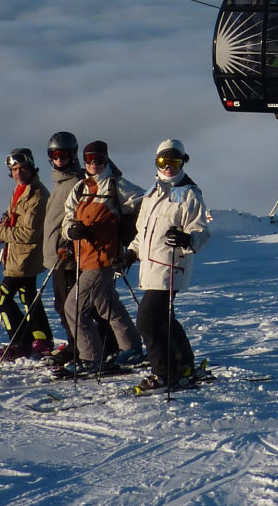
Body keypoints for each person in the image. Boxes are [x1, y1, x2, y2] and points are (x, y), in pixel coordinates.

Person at [56, 140, 146, 377]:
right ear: (84, 161)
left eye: (99, 159)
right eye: (89, 159)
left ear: (106, 160)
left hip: (105, 258)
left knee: (73, 307)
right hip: (85, 257)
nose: (94, 163)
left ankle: (91, 358)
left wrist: (128, 227)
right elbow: (67, 219)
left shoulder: (116, 185)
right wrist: (71, 231)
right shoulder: (80, 188)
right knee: (106, 303)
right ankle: (132, 348)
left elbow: (145, 204)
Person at [128, 138, 211, 390]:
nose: (168, 167)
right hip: (150, 267)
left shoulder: (189, 193)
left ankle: (163, 372)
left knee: (147, 321)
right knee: (164, 319)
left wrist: (187, 239)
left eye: (174, 162)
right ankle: (184, 364)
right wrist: (130, 253)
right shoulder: (152, 193)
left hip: (171, 266)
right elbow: (142, 233)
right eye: (163, 161)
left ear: (183, 162)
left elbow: (201, 232)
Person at [0, 148, 54, 361]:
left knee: (3, 297)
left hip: (25, 257)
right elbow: (17, 223)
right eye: (14, 169)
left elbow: (30, 233)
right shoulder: (22, 191)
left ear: (31, 168)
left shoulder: (36, 194)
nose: (18, 172)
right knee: (28, 296)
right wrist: (2, 228)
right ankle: (40, 339)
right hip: (18, 255)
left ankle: (20, 342)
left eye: (22, 168)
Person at [42, 131, 84, 367]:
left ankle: (79, 346)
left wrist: (69, 244)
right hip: (55, 254)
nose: (59, 159)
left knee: (70, 305)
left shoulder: (77, 182)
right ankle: (74, 343)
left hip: (68, 256)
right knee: (61, 304)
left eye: (64, 155)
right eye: (55, 155)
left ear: (73, 155)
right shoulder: (59, 182)